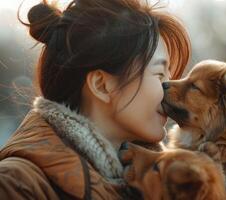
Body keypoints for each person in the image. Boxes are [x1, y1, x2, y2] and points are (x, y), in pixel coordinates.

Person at [0, 0, 191, 199]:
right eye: (160, 74)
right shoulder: (17, 185)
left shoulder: (169, 185)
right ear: (101, 85)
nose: (171, 89)